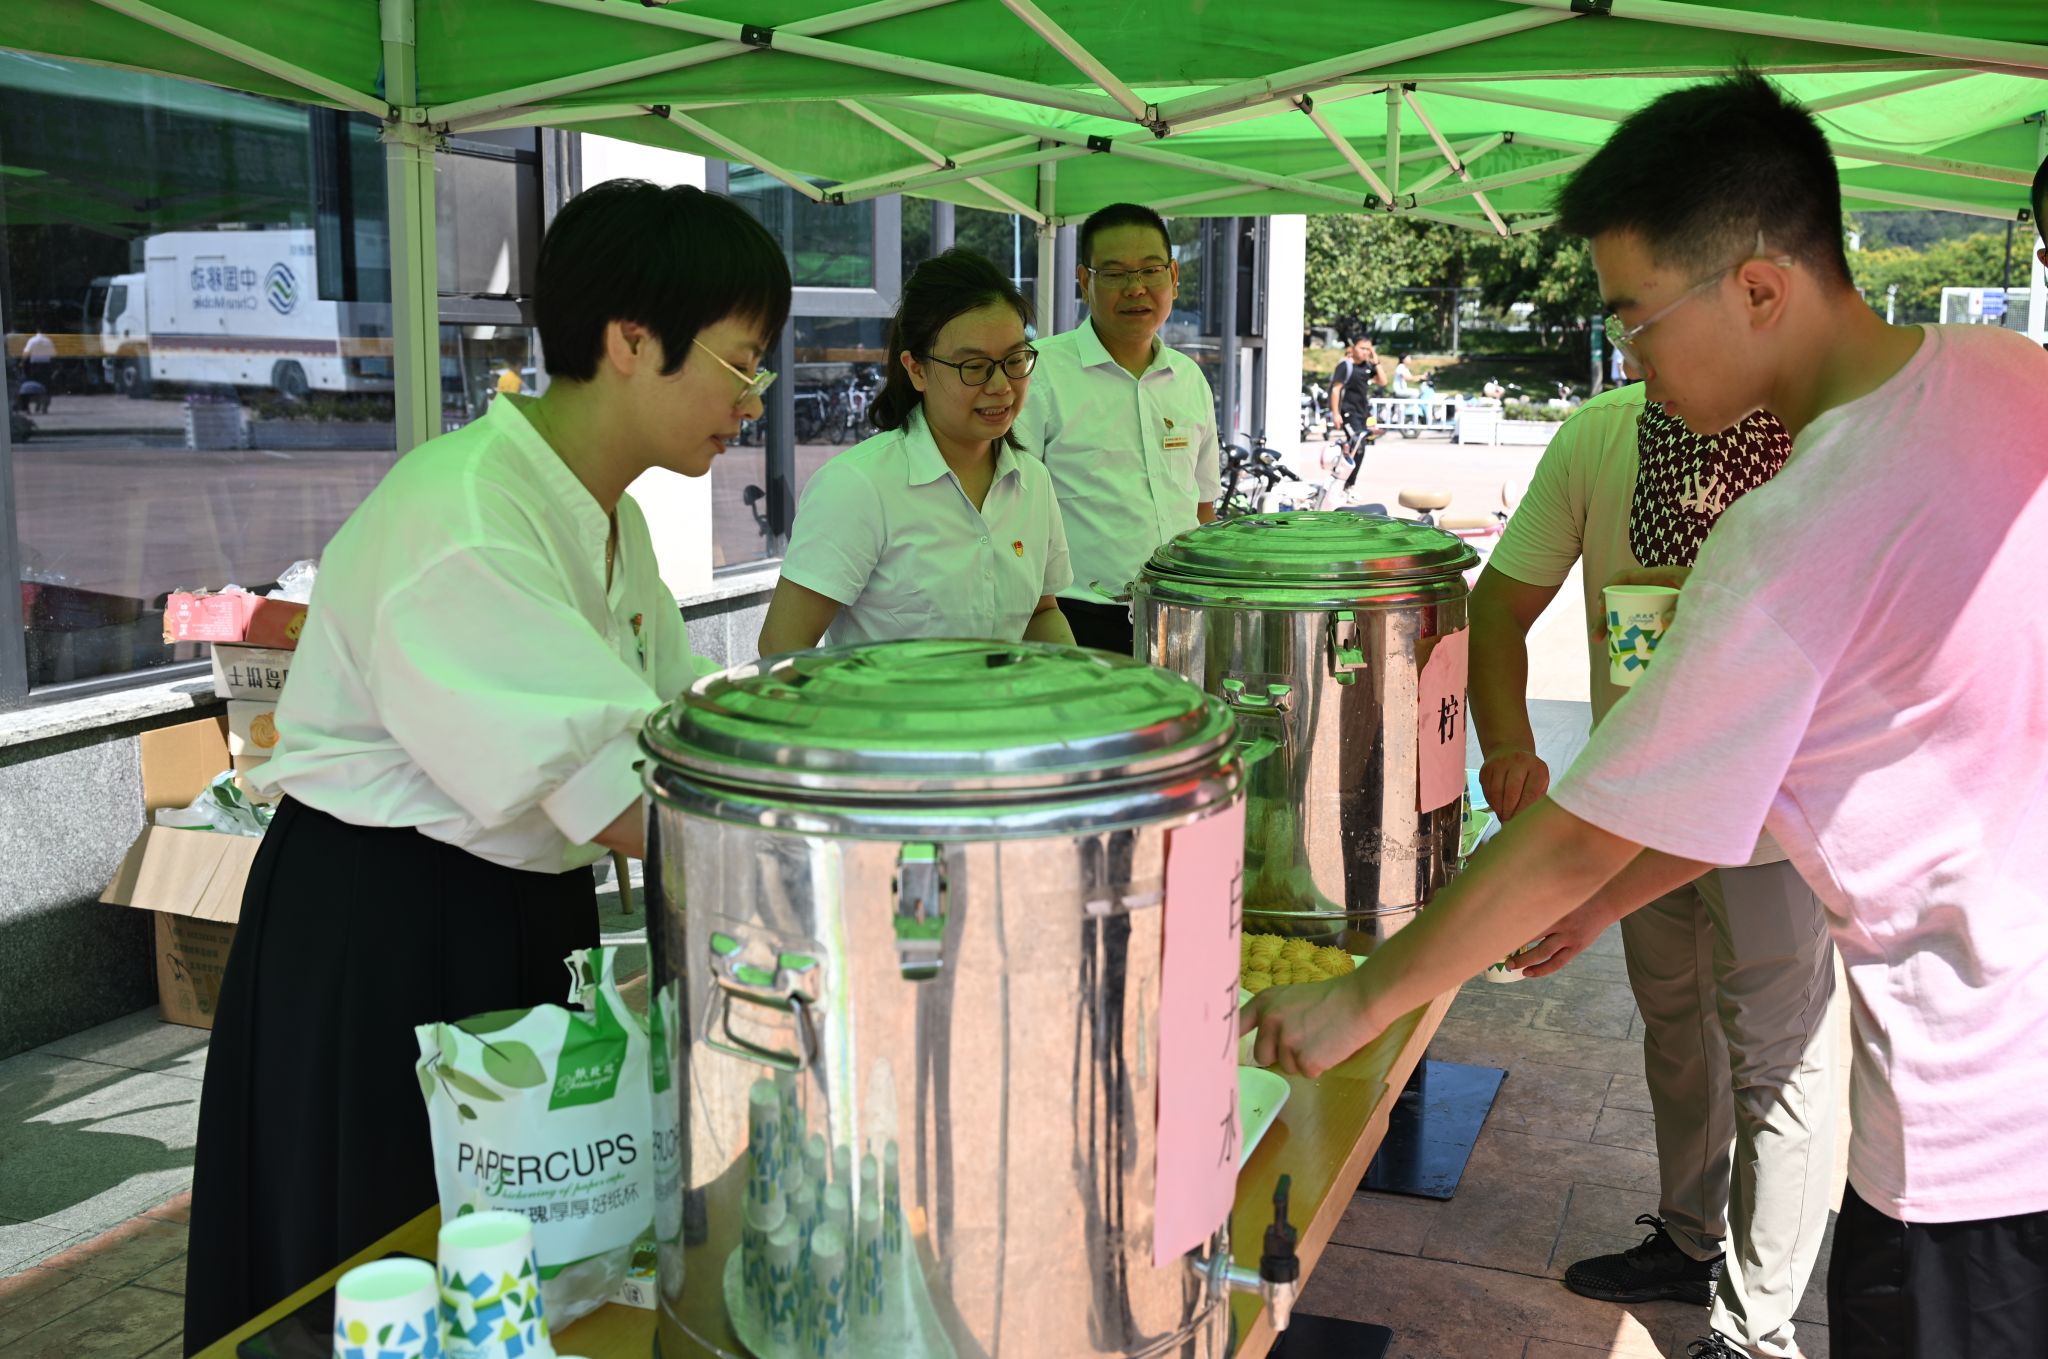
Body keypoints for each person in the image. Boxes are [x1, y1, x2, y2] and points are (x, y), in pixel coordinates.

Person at [1242, 71, 2048, 1359]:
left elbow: (1575, 833)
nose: (1627, 359)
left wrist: (1358, 1005)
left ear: (1757, 288)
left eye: (1636, 319)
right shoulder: (2008, 377)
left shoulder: (1790, 531)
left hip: (1975, 1139)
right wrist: (1607, 900)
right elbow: (1782, 782)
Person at [182, 180, 791, 1354]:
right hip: (387, 926)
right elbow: (627, 790)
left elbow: (676, 734)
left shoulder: (602, 517)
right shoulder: (464, 516)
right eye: (741, 359)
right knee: (388, 1267)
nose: (751, 398)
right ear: (630, 341)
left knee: (522, 1251)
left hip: (512, 906)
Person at [1471, 386, 1837, 1358]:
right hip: (1642, 801)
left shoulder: (1820, 433)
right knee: (1677, 1027)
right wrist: (1506, 742)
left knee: (1777, 1058)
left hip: (1774, 815)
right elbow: (1499, 601)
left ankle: (1756, 1331)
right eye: (1628, 329)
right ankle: (1689, 1239)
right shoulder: (1602, 434)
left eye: (1649, 323)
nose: (1639, 350)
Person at [757, 248, 1074, 653]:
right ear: (917, 369)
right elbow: (782, 649)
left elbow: (1040, 612)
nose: (1001, 386)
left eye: (1015, 360)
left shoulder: (1032, 480)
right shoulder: (857, 486)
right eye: (974, 366)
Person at [1010, 202, 1220, 655]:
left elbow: (1202, 508)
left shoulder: (1189, 379)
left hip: (1184, 618)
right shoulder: (1040, 374)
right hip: (1076, 619)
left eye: (1150, 270)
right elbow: (1010, 508)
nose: (1136, 288)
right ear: (1084, 281)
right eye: (1114, 273)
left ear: (1173, 276)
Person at [1328, 336, 1378, 447]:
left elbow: (1383, 382)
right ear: (1353, 348)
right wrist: (1335, 414)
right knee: (1357, 441)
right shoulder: (1345, 365)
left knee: (1361, 445)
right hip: (1348, 411)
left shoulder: (1367, 366)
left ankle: (1344, 451)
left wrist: (1376, 362)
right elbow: (1336, 389)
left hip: (1363, 411)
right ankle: (1340, 450)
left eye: (1368, 349)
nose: (1365, 352)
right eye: (1362, 348)